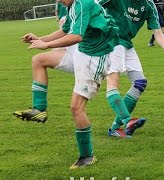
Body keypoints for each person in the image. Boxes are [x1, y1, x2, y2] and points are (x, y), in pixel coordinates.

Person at [14, 0, 144, 169]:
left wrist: (46, 44)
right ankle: (39, 110)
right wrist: (40, 39)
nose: (59, 0)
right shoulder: (73, 6)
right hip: (81, 52)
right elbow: (65, 30)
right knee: (38, 60)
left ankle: (87, 156)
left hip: (95, 58)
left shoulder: (84, 4)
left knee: (76, 108)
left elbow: (76, 36)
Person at [99, 0, 164, 138]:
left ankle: (115, 128)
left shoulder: (148, 5)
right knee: (113, 82)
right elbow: (92, 6)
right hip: (110, 39)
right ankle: (127, 121)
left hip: (126, 43)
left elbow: (158, 33)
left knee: (140, 82)